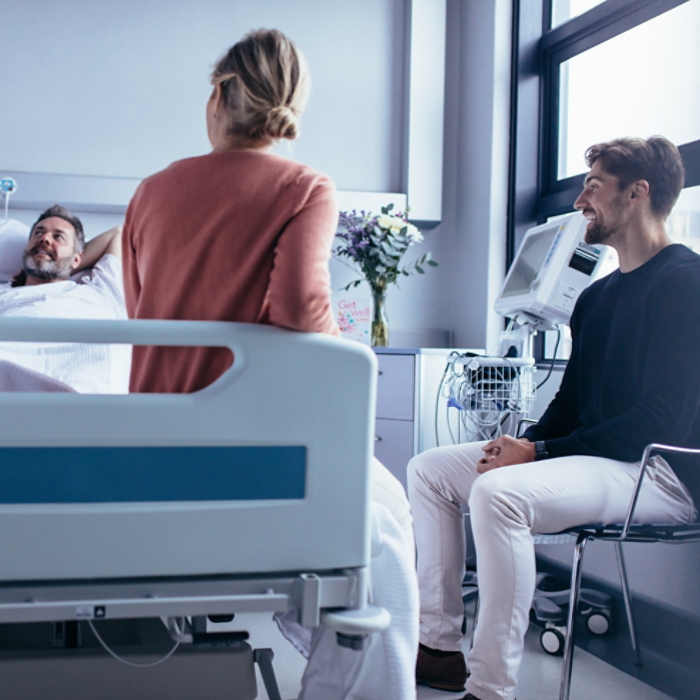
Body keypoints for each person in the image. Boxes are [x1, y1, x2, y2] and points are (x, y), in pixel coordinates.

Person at [122, 28, 417, 700]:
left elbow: (142, 317)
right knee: (387, 522)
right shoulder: (304, 186)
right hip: (248, 452)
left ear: (220, 95)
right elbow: (299, 311)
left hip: (155, 448)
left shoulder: (149, 192)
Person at [409, 136, 700, 700]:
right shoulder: (595, 298)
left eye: (593, 185)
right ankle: (440, 648)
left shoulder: (685, 283)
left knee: (500, 496)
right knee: (431, 470)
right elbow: (569, 404)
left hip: (660, 473)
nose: (578, 201)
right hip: (602, 461)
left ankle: (490, 688)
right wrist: (519, 444)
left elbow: (659, 422)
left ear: (637, 193)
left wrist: (537, 455)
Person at [0, 205, 129, 393]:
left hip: (80, 394)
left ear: (78, 259)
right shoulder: (4, 293)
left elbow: (118, 234)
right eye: (38, 233)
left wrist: (60, 266)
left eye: (58, 236)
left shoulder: (101, 291)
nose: (44, 238)